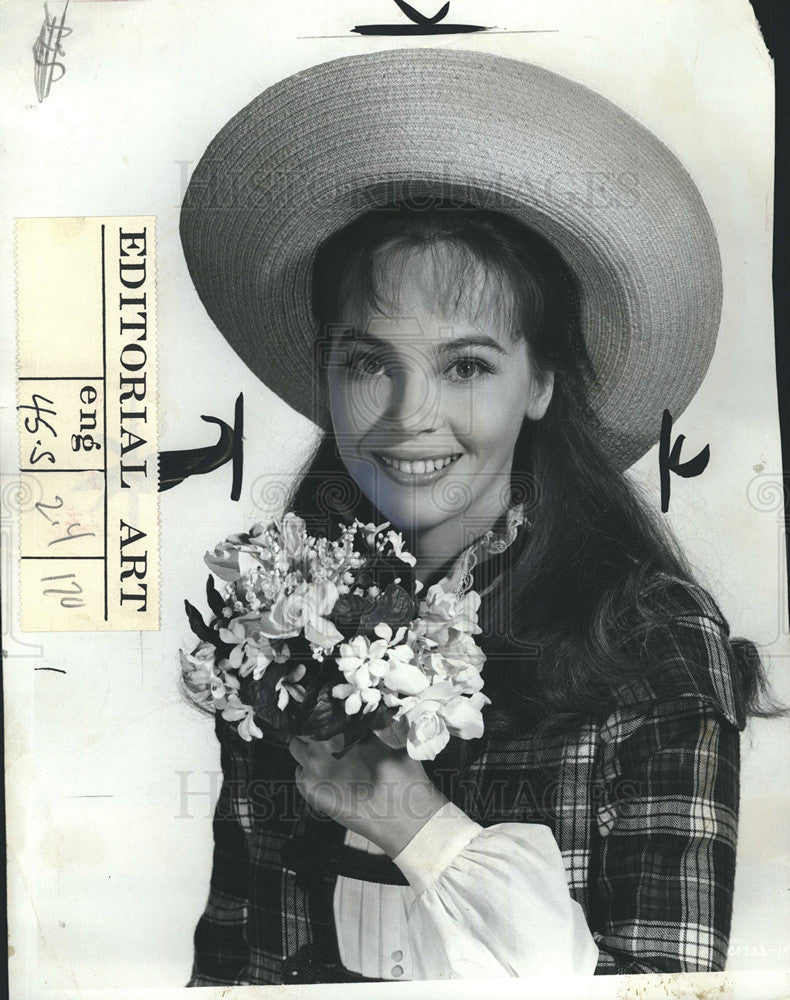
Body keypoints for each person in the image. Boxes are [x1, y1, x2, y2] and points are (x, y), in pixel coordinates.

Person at [178, 48, 776, 984]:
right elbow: (235, 963)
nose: (410, 416)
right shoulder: (279, 631)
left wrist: (415, 824)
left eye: (465, 366)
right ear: (328, 378)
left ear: (540, 381)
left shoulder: (650, 634)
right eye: (371, 362)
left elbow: (674, 986)